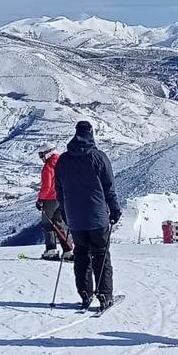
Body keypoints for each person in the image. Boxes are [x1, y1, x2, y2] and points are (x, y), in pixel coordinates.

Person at [55, 121, 120, 310]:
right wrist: (114, 210)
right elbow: (109, 188)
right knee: (101, 255)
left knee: (81, 254)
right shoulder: (98, 157)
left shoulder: (63, 160)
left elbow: (59, 190)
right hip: (97, 216)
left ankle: (85, 294)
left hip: (75, 218)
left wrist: (65, 211)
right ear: (91, 134)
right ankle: (104, 295)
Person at [35, 144, 72, 261]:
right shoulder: (64, 163)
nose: (41, 158)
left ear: (48, 153)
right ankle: (68, 250)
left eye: (41, 155)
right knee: (60, 224)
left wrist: (40, 199)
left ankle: (51, 251)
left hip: (49, 200)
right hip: (62, 199)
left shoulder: (48, 167)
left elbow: (47, 186)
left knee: (48, 225)